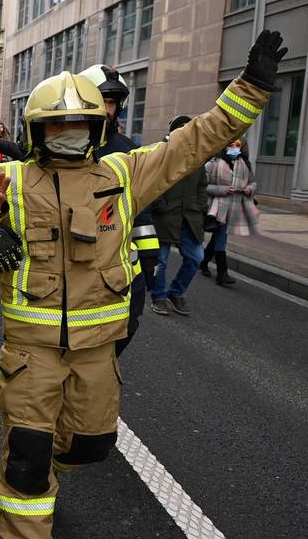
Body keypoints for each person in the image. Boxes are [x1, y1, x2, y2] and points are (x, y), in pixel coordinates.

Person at [0, 31, 285, 539]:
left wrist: (253, 87)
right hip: (31, 351)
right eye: (56, 126)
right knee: (27, 453)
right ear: (37, 130)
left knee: (92, 443)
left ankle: (47, 474)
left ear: (97, 129)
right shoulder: (13, 183)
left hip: (99, 350)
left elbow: (195, 142)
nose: (69, 135)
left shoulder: (122, 176)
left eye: (79, 125)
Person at [78, 65, 159, 356]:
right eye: (100, 101)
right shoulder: (57, 144)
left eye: (111, 102)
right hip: (72, 269)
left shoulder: (128, 150)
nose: (106, 109)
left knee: (116, 341)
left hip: (120, 274)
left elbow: (143, 210)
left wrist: (149, 259)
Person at [150, 115, 209, 316]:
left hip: (190, 217)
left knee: (196, 257)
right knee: (161, 261)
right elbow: (150, 183)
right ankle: (158, 297)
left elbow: (202, 185)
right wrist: (160, 206)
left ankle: (176, 292)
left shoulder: (198, 156)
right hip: (165, 217)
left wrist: (201, 207)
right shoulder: (162, 154)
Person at [199, 139, 259, 286]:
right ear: (224, 146)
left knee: (218, 236)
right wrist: (222, 190)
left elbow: (253, 182)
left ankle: (204, 262)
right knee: (221, 237)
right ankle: (222, 273)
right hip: (216, 207)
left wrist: (249, 189)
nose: (234, 148)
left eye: (237, 145)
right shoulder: (213, 163)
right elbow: (202, 185)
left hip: (235, 207)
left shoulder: (244, 164)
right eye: (231, 145)